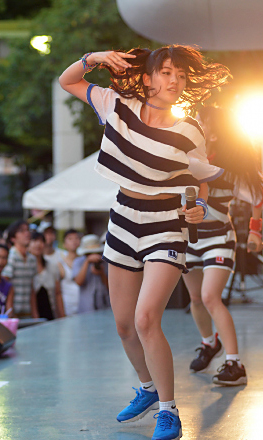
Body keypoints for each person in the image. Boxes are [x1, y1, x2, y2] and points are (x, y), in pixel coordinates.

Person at [59, 45, 229, 439]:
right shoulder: (116, 105)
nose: (175, 81)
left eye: (181, 76)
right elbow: (68, 81)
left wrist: (200, 206)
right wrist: (95, 58)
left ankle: (169, 412)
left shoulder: (188, 130)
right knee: (124, 326)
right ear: (148, 77)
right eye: (167, 72)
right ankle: (148, 389)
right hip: (122, 220)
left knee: (146, 318)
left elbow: (200, 178)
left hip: (165, 223)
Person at [182, 106, 263, 386]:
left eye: (201, 121)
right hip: (188, 240)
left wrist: (255, 231)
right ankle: (210, 343)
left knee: (210, 297)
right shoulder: (184, 158)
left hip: (219, 238)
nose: (195, 123)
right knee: (195, 299)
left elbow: (257, 195)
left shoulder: (229, 170)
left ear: (214, 135)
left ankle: (235, 364)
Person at [1, 220, 38, 318]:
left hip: (27, 312)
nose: (27, 233)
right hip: (12, 313)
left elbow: (32, 288)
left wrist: (35, 314)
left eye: (28, 230)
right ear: (13, 238)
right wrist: (9, 311)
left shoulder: (32, 259)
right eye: (21, 231)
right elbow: (4, 284)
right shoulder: (10, 257)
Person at [28, 232, 65, 320]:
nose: (38, 244)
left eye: (41, 241)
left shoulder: (52, 266)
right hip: (30, 316)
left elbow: (58, 293)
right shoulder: (25, 267)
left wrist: (62, 316)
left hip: (51, 314)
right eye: (34, 241)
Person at [73, 234, 110, 313]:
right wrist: (87, 262)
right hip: (86, 307)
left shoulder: (106, 261)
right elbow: (78, 282)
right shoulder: (78, 261)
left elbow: (110, 286)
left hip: (104, 305)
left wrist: (101, 273)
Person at [58, 229, 81, 316]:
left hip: (84, 307)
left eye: (76, 238)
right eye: (70, 239)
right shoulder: (60, 264)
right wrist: (61, 314)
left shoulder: (84, 261)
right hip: (68, 309)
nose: (74, 241)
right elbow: (58, 292)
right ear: (64, 244)